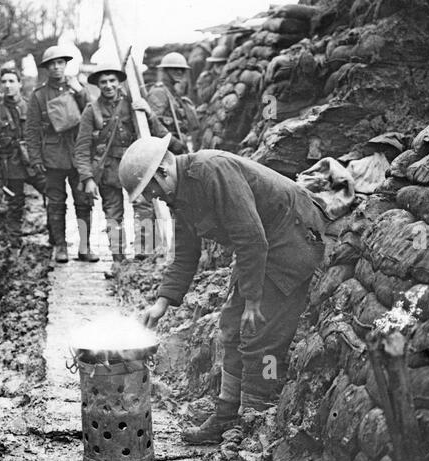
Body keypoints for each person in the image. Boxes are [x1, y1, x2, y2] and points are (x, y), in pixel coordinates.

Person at [118, 135, 326, 444]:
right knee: (231, 325)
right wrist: (160, 305)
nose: (154, 200)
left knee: (262, 333)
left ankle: (257, 414)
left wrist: (254, 301)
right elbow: (187, 255)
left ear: (163, 171)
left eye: (151, 191)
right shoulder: (181, 194)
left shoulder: (212, 172)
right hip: (260, 247)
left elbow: (251, 237)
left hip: (292, 237)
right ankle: (227, 413)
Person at [74, 63, 174, 263]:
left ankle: (143, 258)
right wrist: (87, 178)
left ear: (119, 82)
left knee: (144, 208)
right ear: (98, 86)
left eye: (112, 80)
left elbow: (159, 135)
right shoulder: (91, 110)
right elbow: (82, 148)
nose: (109, 85)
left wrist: (149, 113)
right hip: (107, 170)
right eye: (103, 82)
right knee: (113, 215)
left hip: (135, 166)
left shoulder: (133, 103)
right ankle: (118, 262)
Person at [25, 46, 99, 264]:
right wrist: (35, 159)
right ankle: (60, 246)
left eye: (60, 63)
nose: (57, 67)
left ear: (66, 65)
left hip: (78, 156)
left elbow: (92, 114)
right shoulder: (39, 96)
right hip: (52, 157)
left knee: (84, 202)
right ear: (47, 68)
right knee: (56, 203)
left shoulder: (78, 89)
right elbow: (31, 130)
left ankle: (85, 247)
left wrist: (81, 92)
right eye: (52, 64)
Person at [0, 61, 47, 245]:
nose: (8, 85)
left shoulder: (32, 107)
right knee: (15, 205)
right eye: (4, 82)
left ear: (20, 83)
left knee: (53, 195)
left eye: (12, 81)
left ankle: (55, 240)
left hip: (34, 163)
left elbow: (43, 137)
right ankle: (14, 246)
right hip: (11, 166)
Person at [147, 52, 200, 154]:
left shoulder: (174, 94)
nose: (179, 72)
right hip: (166, 150)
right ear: (165, 70)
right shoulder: (159, 92)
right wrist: (175, 144)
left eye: (182, 69)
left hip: (177, 149)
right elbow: (153, 124)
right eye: (174, 69)